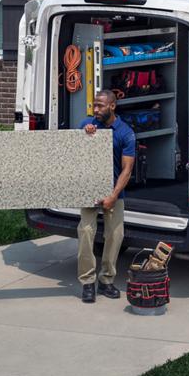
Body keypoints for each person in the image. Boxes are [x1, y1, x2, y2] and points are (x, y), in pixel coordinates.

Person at [77, 90, 137, 303]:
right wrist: (85, 136)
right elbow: (72, 153)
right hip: (90, 189)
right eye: (94, 105)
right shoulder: (86, 124)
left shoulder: (125, 133)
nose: (95, 110)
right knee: (86, 231)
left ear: (112, 106)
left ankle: (106, 280)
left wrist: (113, 195)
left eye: (100, 106)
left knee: (115, 234)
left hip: (114, 191)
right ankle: (87, 282)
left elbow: (127, 170)